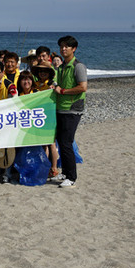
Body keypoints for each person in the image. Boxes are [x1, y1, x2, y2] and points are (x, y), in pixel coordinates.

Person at [54, 35, 87, 188]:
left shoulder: (78, 66)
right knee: (61, 141)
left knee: (66, 143)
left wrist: (63, 91)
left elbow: (82, 87)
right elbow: (57, 86)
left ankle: (72, 177)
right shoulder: (60, 67)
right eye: (61, 46)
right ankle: (65, 172)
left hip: (73, 110)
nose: (63, 49)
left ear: (74, 49)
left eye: (67, 46)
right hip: (60, 109)